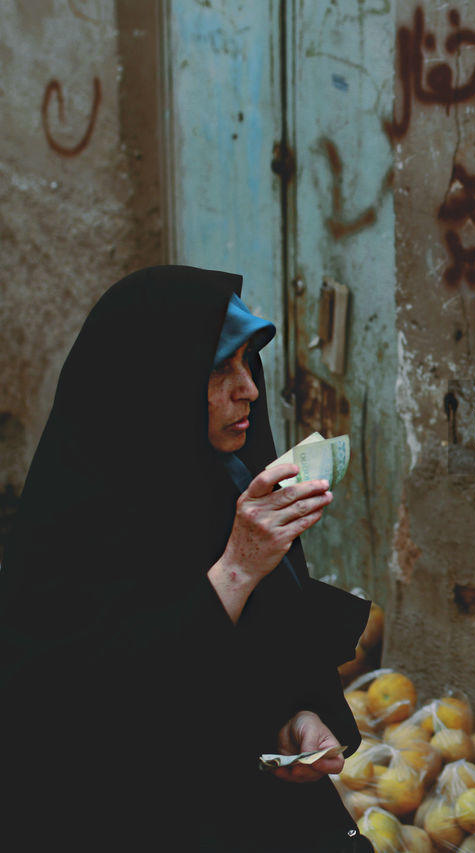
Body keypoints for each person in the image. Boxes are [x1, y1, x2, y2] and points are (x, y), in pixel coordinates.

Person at [0, 266, 372, 851]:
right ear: (152, 382)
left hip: (242, 794)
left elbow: (258, 658)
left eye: (249, 362)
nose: (247, 387)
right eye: (219, 367)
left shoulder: (225, 486)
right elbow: (86, 712)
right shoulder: (77, 529)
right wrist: (235, 570)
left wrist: (294, 717)